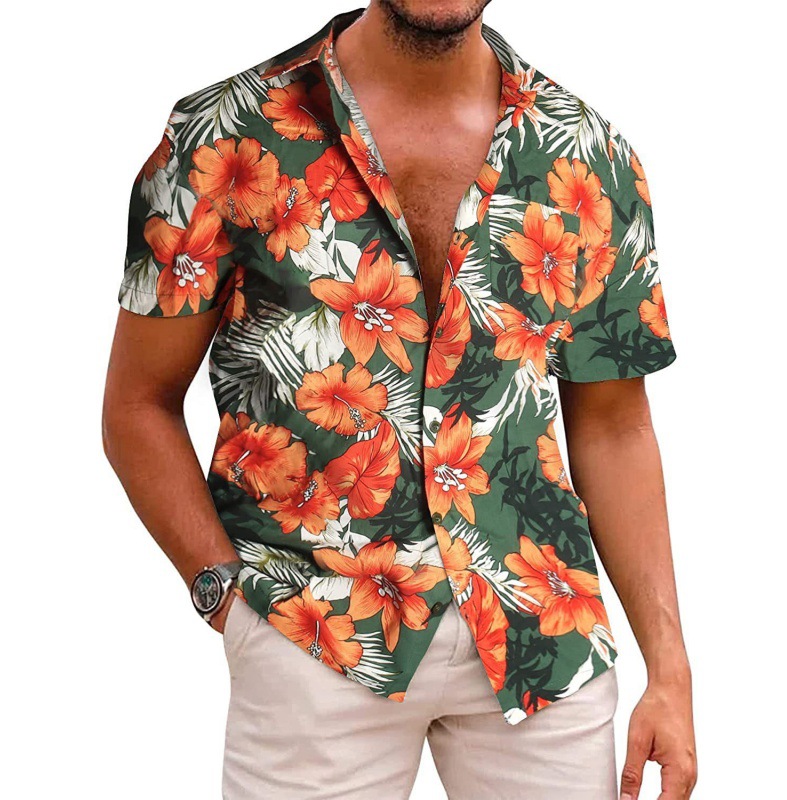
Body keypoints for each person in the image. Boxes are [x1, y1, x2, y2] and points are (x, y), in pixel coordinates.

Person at [103, 3, 697, 798]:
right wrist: (225, 599)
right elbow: (138, 403)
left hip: (541, 640)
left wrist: (670, 670)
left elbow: (616, 428)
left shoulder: (588, 155)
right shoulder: (225, 137)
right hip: (315, 638)